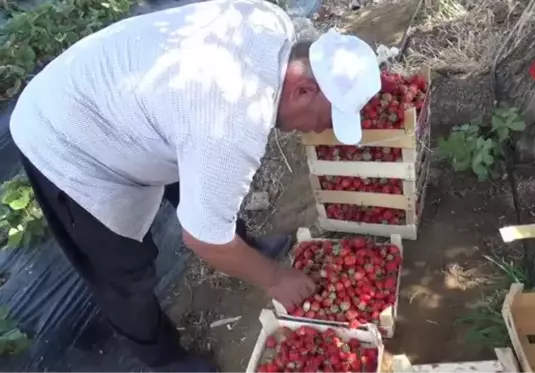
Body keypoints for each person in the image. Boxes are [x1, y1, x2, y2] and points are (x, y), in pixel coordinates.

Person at [8, 0, 381, 371]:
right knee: (124, 269)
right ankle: (164, 357)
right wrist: (276, 278)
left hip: (132, 98)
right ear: (304, 90)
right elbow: (203, 239)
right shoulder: (232, 119)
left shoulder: (272, 23)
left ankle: (245, 247)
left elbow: (207, 143)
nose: (320, 129)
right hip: (64, 135)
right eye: (325, 118)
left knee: (207, 182)